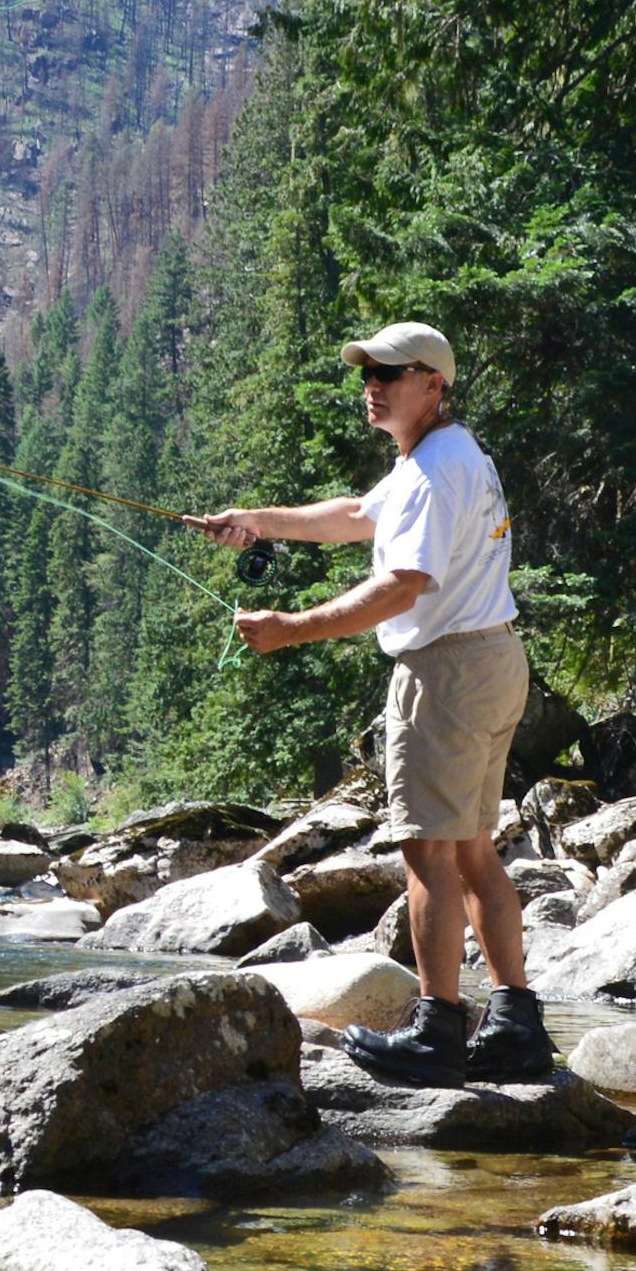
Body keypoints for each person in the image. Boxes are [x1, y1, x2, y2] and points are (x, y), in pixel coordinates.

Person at [187, 321, 553, 1088]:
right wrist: (257, 520)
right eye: (368, 371)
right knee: (475, 846)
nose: (374, 383)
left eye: (393, 371)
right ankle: (516, 1023)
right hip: (496, 657)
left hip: (446, 674)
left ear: (436, 385)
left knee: (428, 850)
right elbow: (356, 515)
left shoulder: (430, 473)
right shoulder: (450, 454)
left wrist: (291, 629)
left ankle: (437, 1030)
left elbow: (401, 584)